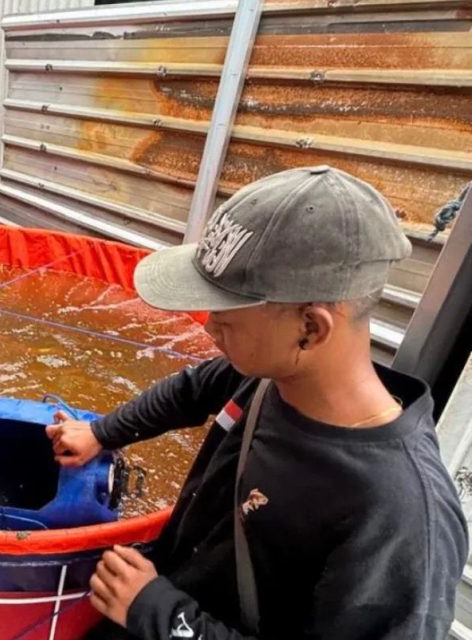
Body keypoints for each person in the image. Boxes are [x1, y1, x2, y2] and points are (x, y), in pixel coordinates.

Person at [47, 166, 468, 639]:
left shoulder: (400, 519)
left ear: (310, 328)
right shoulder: (269, 375)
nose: (208, 329)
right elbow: (188, 391)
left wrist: (160, 613)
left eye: (226, 319)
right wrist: (102, 433)